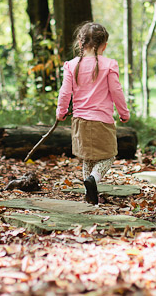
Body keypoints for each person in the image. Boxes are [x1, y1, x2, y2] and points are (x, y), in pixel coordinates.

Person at [56, 22, 130, 205]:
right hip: (102, 121)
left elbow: (65, 92)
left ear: (80, 43)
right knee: (108, 155)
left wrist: (61, 111)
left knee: (87, 157)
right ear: (104, 45)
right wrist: (124, 113)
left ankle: (89, 194)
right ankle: (93, 180)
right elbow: (116, 91)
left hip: (80, 121)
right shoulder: (109, 65)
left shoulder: (71, 65)